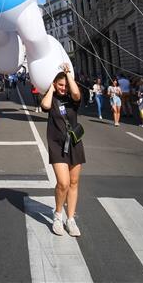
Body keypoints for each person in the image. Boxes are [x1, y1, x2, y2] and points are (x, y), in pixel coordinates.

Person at [40, 64, 84, 237]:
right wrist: (51, 88)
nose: (63, 88)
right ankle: (58, 215)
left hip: (74, 143)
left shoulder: (73, 100)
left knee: (74, 183)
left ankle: (70, 219)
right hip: (57, 144)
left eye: (65, 85)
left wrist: (68, 75)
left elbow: (76, 93)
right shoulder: (52, 99)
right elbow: (44, 105)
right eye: (60, 85)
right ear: (55, 84)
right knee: (63, 183)